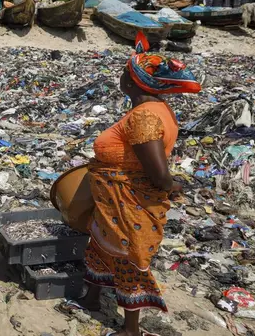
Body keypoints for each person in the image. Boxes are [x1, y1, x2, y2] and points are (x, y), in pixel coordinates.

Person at [69, 33, 201, 336]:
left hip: (130, 202)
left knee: (128, 258)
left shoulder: (144, 117)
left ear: (133, 81)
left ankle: (131, 330)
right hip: (114, 200)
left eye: (125, 71)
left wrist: (171, 185)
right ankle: (90, 299)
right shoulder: (153, 110)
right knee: (101, 247)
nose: (120, 75)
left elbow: (157, 171)